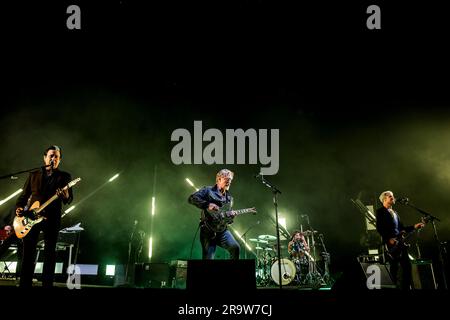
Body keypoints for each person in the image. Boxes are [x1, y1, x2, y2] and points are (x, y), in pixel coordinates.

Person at [15, 145, 73, 288]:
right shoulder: (34, 174)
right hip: (31, 217)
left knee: (49, 253)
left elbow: (69, 199)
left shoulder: (64, 177)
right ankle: (25, 283)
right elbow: (24, 196)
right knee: (28, 253)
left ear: (59, 160)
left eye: (56, 157)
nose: (53, 159)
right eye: (51, 156)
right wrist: (19, 207)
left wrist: (64, 194)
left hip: (51, 218)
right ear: (45, 157)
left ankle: (47, 284)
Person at [376, 190, 424, 289]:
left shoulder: (395, 212)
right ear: (384, 200)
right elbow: (380, 228)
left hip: (401, 244)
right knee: (394, 269)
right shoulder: (380, 212)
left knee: (407, 268)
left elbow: (402, 228)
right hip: (391, 245)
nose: (393, 198)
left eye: (393, 196)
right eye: (390, 196)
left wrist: (414, 226)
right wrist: (388, 239)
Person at [188, 169, 240, 260]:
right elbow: (192, 198)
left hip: (222, 231)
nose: (229, 182)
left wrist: (231, 217)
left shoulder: (230, 198)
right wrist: (207, 205)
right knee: (208, 259)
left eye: (230, 180)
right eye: (227, 179)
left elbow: (228, 220)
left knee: (235, 248)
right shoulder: (207, 190)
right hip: (207, 231)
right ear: (219, 179)